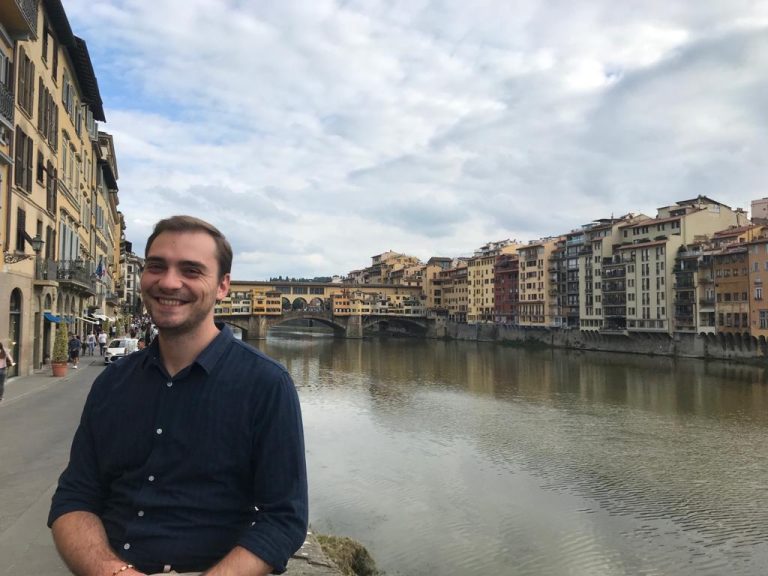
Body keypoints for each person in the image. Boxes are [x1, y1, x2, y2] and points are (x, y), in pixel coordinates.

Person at [48, 215, 308, 576]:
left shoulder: (266, 385)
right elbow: (74, 498)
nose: (169, 282)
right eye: (157, 267)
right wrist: (114, 572)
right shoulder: (113, 382)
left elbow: (284, 519)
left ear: (222, 287)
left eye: (191, 270)